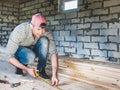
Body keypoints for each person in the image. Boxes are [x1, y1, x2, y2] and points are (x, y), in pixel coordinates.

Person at [6, 13, 59, 86]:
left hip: (31, 48)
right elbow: (9, 56)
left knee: (44, 41)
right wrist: (27, 69)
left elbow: (53, 53)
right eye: (38, 29)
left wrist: (54, 75)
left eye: (43, 29)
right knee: (30, 56)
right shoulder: (20, 31)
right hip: (19, 50)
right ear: (32, 26)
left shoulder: (46, 33)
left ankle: (41, 70)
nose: (41, 32)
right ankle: (20, 66)